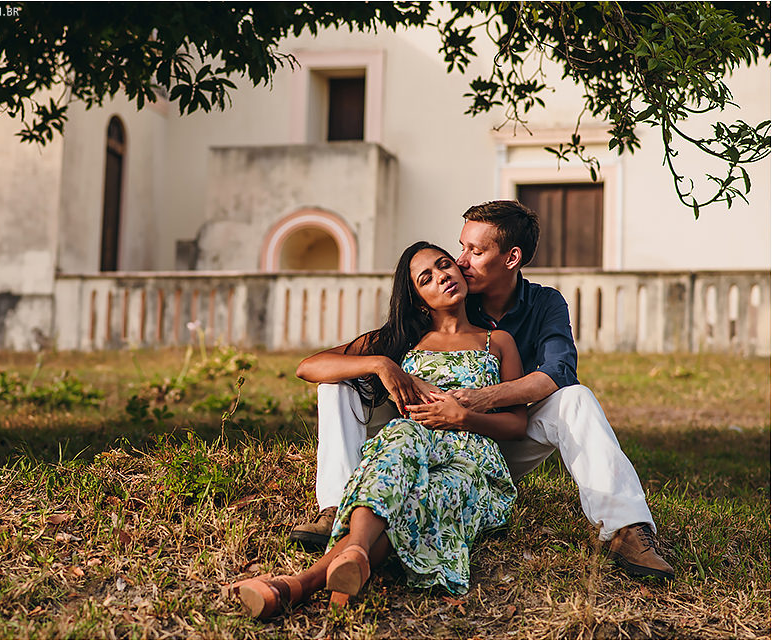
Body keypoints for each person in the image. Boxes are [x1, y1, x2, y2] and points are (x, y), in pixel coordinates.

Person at [290, 200, 674, 580]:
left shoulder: (540, 305)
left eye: (474, 251)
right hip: (415, 428)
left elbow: (558, 373)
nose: (458, 262)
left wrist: (478, 402)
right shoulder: (444, 302)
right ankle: (335, 506)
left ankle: (626, 529)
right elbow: (313, 364)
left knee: (576, 398)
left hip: (492, 438)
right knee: (336, 384)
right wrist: (382, 364)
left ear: (511, 258)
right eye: (459, 248)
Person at [231, 241, 528, 619]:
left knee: (426, 495)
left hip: (471, 459)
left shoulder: (497, 342)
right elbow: (308, 367)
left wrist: (463, 418)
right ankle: (346, 559)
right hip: (410, 444)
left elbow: (517, 425)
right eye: (427, 278)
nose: (443, 277)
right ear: (420, 300)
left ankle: (301, 583)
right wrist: (382, 364)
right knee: (399, 443)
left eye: (444, 265)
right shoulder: (404, 341)